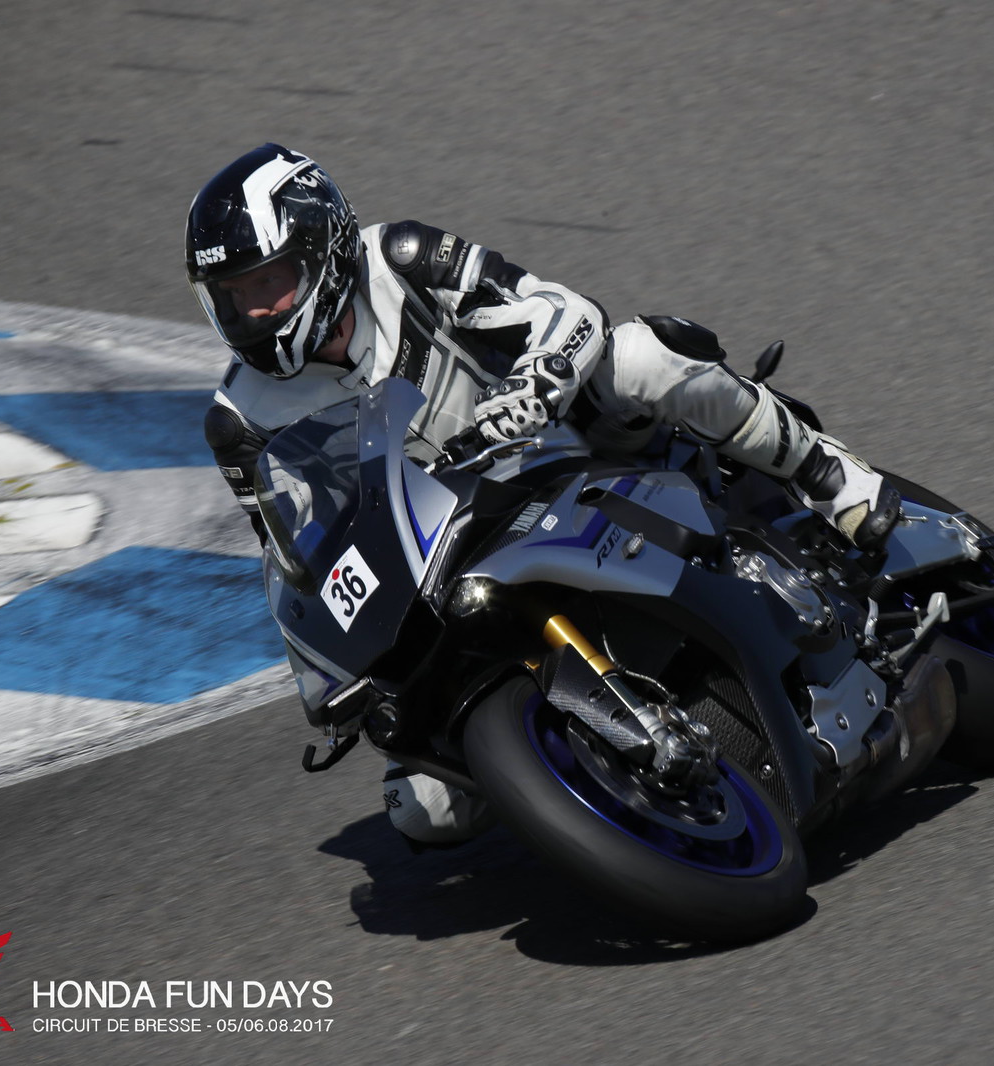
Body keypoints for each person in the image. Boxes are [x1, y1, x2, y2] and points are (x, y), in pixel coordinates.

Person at [187, 143, 900, 848]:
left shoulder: (399, 258)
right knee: (424, 808)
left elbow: (564, 309)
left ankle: (828, 476)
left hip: (557, 442)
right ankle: (597, 780)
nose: (258, 310)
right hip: (444, 555)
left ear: (325, 247)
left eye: (271, 281)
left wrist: (532, 388)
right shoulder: (239, 423)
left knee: (642, 357)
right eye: (236, 297)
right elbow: (294, 560)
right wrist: (333, 674)